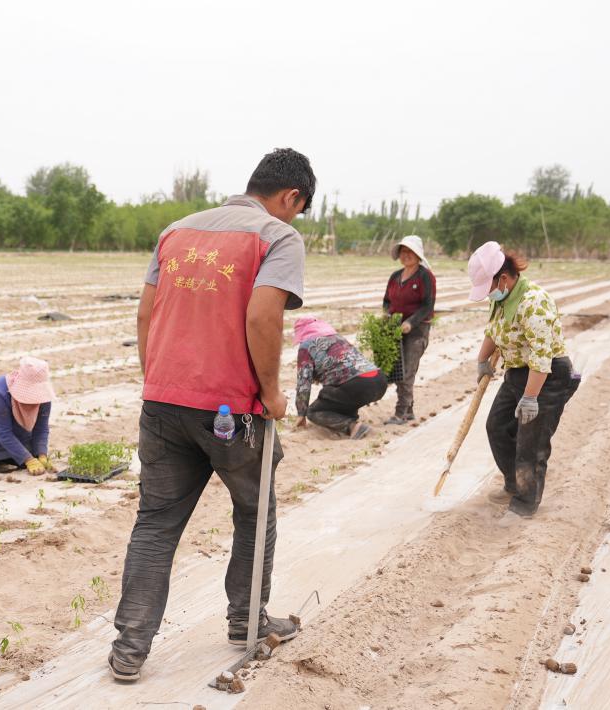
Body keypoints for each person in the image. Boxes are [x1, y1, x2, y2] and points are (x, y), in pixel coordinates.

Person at [108, 148, 312, 683]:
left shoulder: (177, 230)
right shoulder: (278, 237)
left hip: (163, 401)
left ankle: (130, 647)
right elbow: (263, 316)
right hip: (231, 411)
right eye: (297, 208)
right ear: (290, 197)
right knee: (255, 509)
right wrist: (270, 392)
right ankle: (247, 624)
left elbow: (146, 313)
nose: (293, 218)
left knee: (155, 522)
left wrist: (157, 378)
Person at [468, 242, 579, 518]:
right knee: (496, 426)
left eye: (489, 286)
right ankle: (513, 483)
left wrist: (531, 398)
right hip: (517, 372)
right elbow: (493, 331)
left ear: (503, 277)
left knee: (530, 443)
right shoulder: (501, 299)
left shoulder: (534, 301)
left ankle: (525, 504)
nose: (488, 293)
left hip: (547, 376)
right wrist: (483, 360)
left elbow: (542, 356)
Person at [293, 317, 387, 439]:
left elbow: (303, 383)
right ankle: (352, 421)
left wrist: (301, 413)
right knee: (339, 398)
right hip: (379, 380)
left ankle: (353, 426)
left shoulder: (306, 346)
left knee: (314, 411)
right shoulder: (338, 338)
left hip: (356, 385)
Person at [382, 235, 436, 424]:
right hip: (395, 329)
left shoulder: (425, 276)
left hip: (417, 330)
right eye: (403, 252)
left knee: (407, 372)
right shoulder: (395, 276)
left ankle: (401, 413)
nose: (406, 255)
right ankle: (409, 410)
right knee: (398, 370)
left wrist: (411, 323)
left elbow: (427, 305)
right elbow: (387, 301)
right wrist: (386, 314)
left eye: (410, 252)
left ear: (418, 255)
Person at [0, 356, 56, 475]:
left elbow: (41, 428)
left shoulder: (44, 397)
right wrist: (29, 459)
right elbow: (4, 432)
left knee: (33, 458)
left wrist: (42, 455)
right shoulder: (0, 393)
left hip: (17, 433)